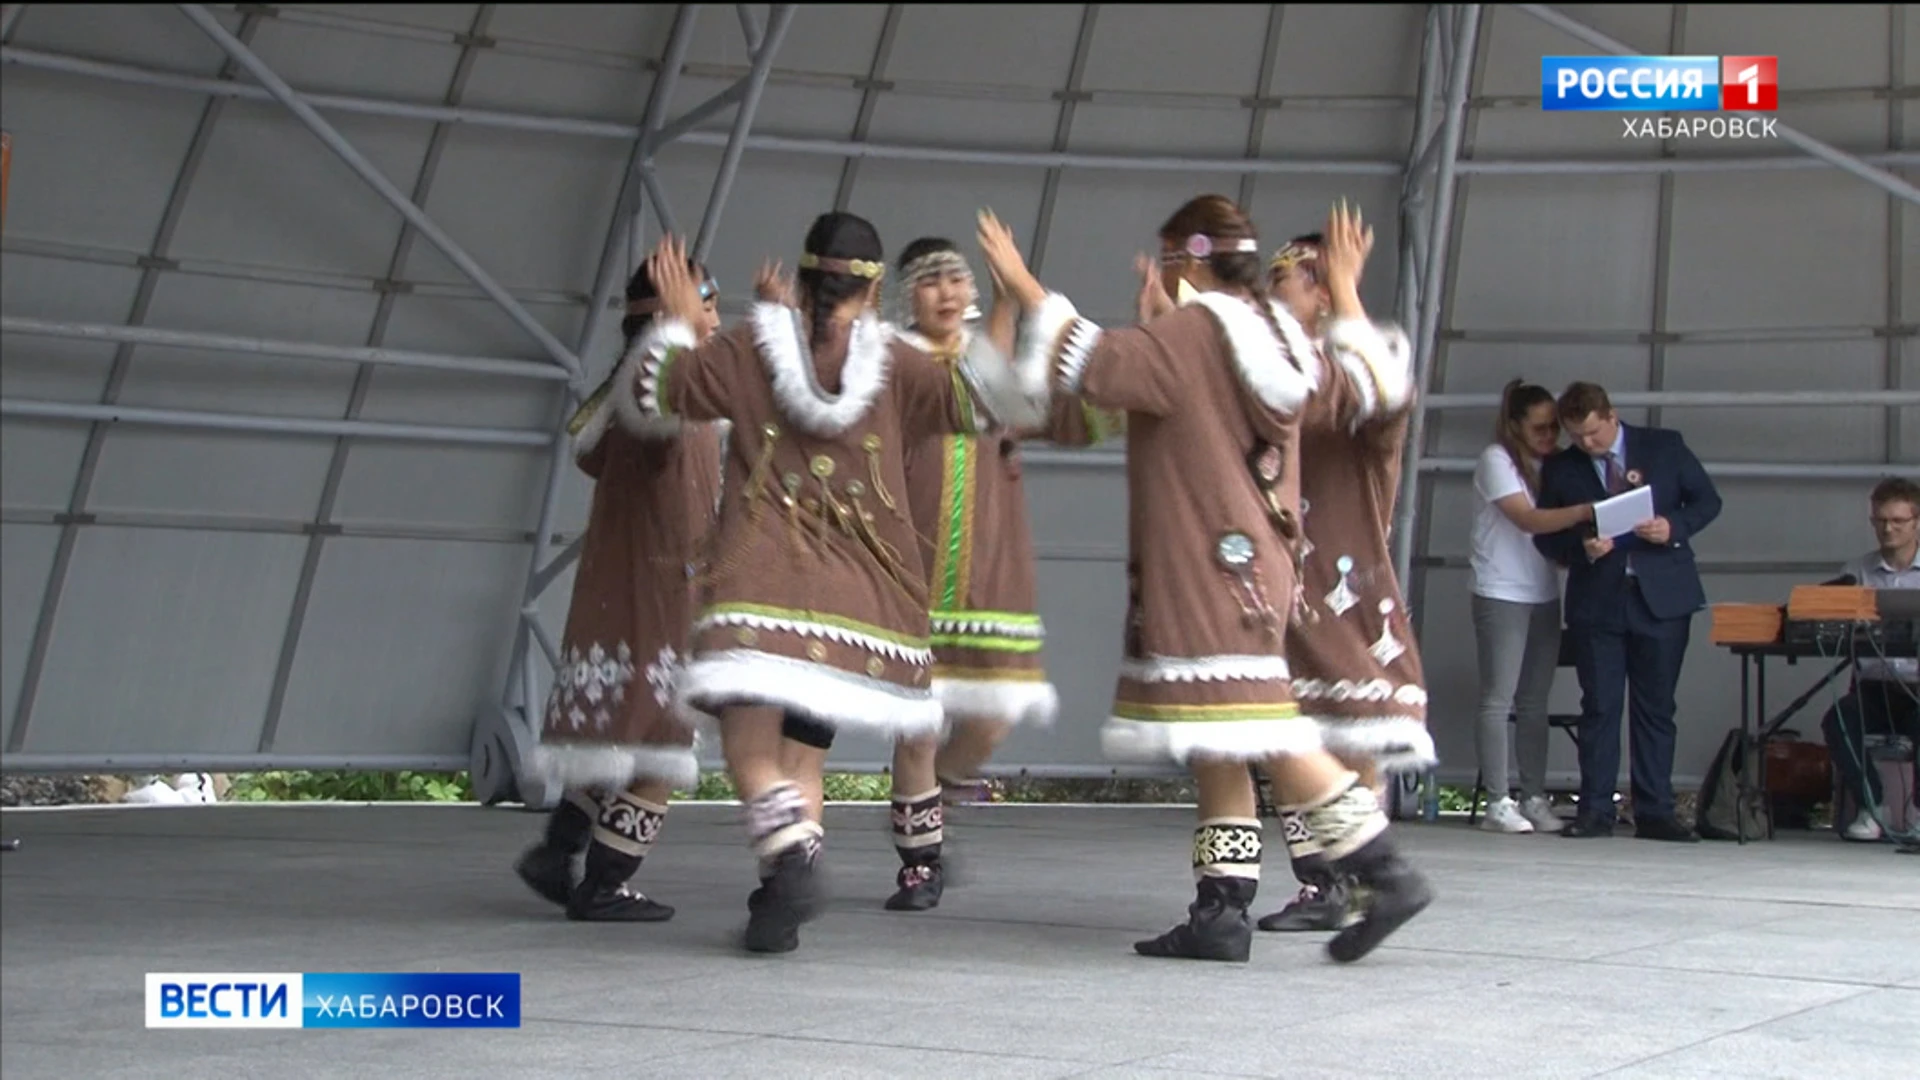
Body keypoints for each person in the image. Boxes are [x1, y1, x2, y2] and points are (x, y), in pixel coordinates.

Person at [977, 196, 1433, 965]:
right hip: (1257, 568)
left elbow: (1095, 361)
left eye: (1172, 261)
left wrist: (1025, 287)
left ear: (1189, 262)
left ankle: (1383, 871)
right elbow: (1358, 384)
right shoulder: (1275, 340)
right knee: (1219, 743)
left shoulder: (1192, 337)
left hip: (1203, 568)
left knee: (1260, 729)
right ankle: (1220, 911)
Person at [625, 220, 1031, 954]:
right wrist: (1009, 302)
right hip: (860, 607)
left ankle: (786, 858)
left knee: (750, 752)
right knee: (803, 757)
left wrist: (681, 325)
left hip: (758, 590)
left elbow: (656, 390)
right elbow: (988, 401)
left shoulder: (747, 347)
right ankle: (782, 891)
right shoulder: (900, 365)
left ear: (806, 281)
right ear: (876, 291)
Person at [878, 236, 1119, 911]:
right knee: (918, 721)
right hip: (912, 568)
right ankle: (919, 863)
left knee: (992, 719)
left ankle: (933, 811)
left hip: (989, 573)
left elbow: (1066, 416)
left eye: (957, 279)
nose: (947, 293)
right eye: (930, 282)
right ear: (906, 296)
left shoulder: (1001, 372)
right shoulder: (893, 366)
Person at [511, 259, 724, 923]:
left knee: (617, 734)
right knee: (662, 745)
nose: (714, 316)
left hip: (625, 589)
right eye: (704, 304)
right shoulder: (662, 391)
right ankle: (606, 882)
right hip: (660, 596)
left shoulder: (639, 389)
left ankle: (559, 850)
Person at [1231, 231, 1429, 936]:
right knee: (1279, 732)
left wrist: (1345, 288)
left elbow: (1382, 400)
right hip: (1280, 584)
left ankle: (1358, 880)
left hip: (1343, 583)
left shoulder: (1363, 378)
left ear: (1318, 293)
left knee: (1348, 735)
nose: (1271, 290)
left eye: (1286, 279)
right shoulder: (1278, 375)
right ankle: (1324, 882)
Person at [1533, 382, 1721, 840]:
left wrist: (1673, 527)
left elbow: (1707, 501)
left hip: (1662, 595)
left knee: (1656, 707)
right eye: (1577, 436)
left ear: (1612, 417)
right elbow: (1544, 535)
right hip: (1599, 599)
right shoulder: (1561, 468)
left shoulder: (1664, 446)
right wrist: (1583, 548)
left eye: (1594, 434)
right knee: (1599, 705)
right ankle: (1594, 810)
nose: (1587, 444)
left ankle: (1655, 810)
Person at [1467, 380, 1595, 834]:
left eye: (1553, 429)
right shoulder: (1496, 460)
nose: (1548, 437)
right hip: (1501, 590)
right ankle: (1497, 800)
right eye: (1539, 429)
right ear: (1515, 425)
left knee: (1535, 700)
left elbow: (1551, 539)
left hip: (1542, 591)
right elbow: (1527, 518)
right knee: (1498, 698)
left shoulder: (1551, 465)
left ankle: (1534, 794)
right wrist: (1585, 512)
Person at [1823, 477, 1920, 841]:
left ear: (1917, 522)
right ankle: (1871, 806)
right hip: (1873, 688)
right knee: (1839, 719)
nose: (1887, 528)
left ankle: (1919, 815)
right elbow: (1832, 619)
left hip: (1916, 686)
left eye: (1897, 520)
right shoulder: (1857, 571)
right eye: (1880, 520)